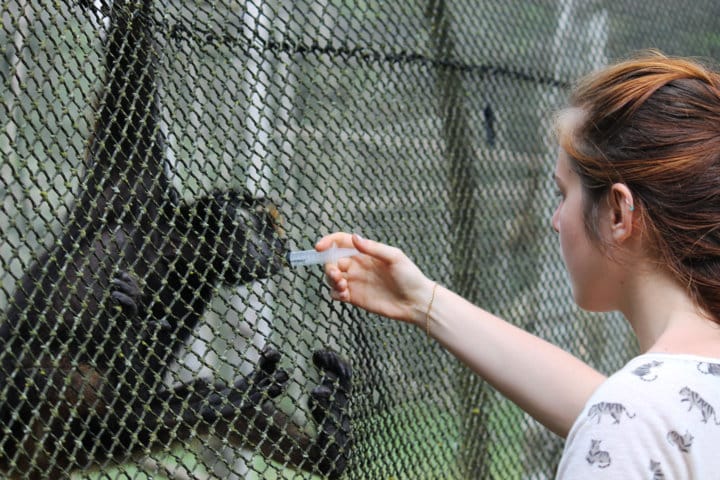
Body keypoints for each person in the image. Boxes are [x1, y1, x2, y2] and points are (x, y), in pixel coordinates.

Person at [315, 51, 720, 478]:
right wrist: (422, 301)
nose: (555, 220)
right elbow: (622, 410)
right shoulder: (668, 407)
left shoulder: (631, 425)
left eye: (563, 194)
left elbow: (625, 418)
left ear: (618, 213)